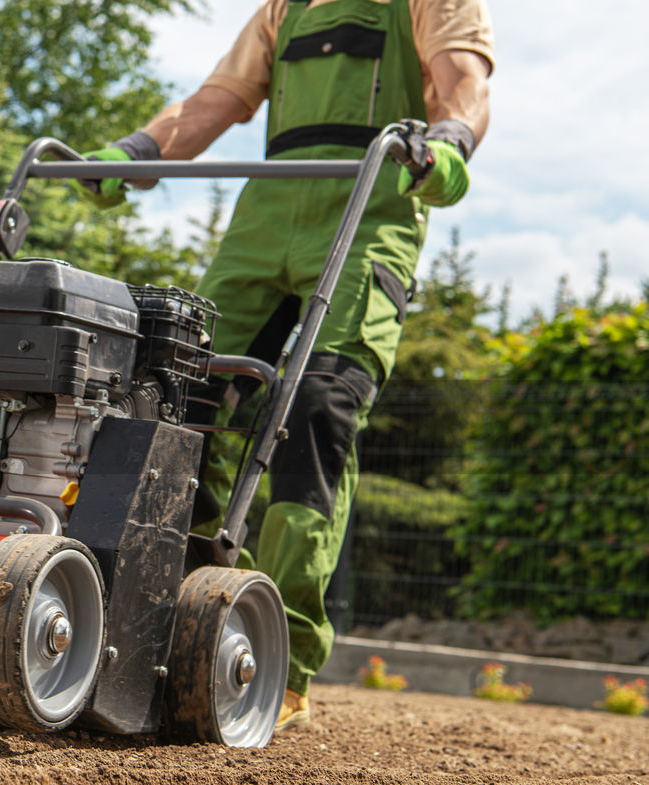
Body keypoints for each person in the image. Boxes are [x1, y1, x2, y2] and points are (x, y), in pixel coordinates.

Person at [79, 0, 493, 730]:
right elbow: (216, 102)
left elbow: (463, 81)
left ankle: (282, 649)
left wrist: (449, 139)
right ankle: (153, 608)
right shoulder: (285, 9)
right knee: (172, 391)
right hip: (266, 217)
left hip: (373, 208)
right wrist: (138, 150)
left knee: (317, 408)